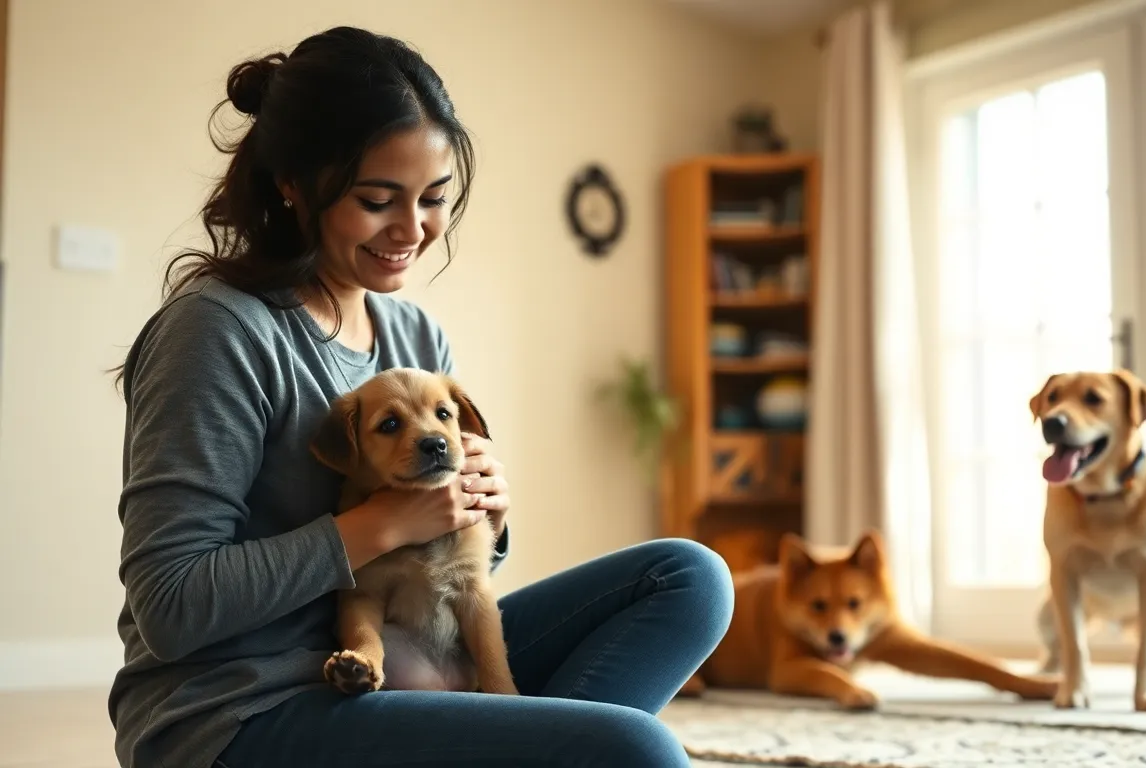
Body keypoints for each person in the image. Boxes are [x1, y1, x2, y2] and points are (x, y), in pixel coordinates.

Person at [107, 25, 733, 768]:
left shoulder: (415, 336)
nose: (412, 229)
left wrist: (485, 515)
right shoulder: (216, 332)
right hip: (240, 708)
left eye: (434, 198)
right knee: (636, 750)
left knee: (689, 576)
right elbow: (171, 606)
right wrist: (379, 523)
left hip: (406, 666)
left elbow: (443, 578)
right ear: (294, 183)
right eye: (378, 200)